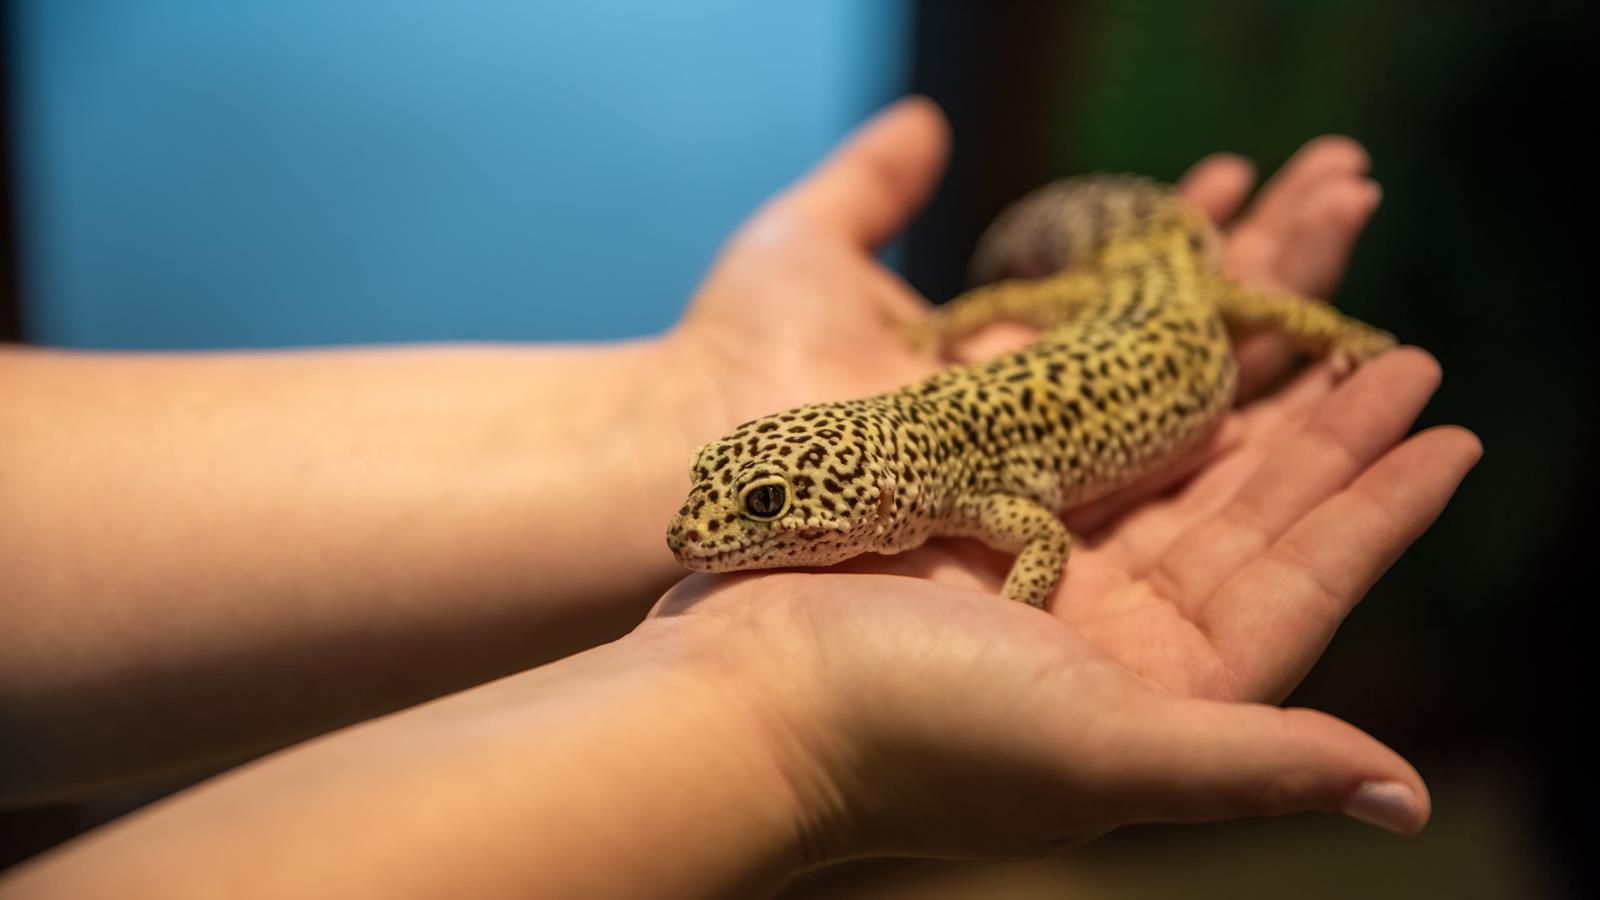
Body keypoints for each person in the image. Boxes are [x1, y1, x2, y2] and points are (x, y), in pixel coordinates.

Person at [0, 98, 1479, 898]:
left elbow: (1033, 546)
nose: (713, 541)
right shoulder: (929, 462)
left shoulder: (974, 478)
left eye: (763, 509)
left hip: (1160, 297)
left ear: (867, 490)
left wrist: (1030, 588)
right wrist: (778, 710)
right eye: (740, 496)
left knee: (1214, 294)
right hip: (1103, 301)